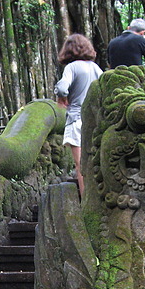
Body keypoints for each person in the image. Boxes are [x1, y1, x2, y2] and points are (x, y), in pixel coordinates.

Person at [54, 33, 103, 195]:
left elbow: (62, 87)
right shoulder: (95, 68)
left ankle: (86, 204)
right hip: (96, 122)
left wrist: (61, 98)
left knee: (81, 165)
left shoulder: (72, 67)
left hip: (76, 120)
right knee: (96, 163)